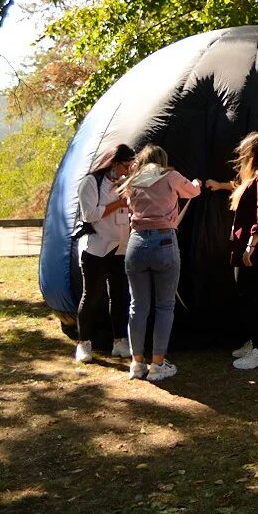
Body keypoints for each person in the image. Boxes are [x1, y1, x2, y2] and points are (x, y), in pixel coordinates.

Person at [205, 132, 258, 370]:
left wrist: (251, 246)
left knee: (253, 298)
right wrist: (221, 185)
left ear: (254, 154)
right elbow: (244, 187)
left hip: (257, 251)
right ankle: (256, 343)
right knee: (255, 297)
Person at [117, 145, 201, 381]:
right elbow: (193, 192)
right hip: (164, 240)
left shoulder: (133, 180)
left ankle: (136, 362)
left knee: (138, 306)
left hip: (135, 243)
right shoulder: (170, 176)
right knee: (164, 305)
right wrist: (197, 182)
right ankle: (158, 363)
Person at [74, 143, 136, 363]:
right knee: (92, 296)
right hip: (98, 249)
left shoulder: (124, 182)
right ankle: (84, 343)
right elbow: (90, 214)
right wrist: (118, 203)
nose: (127, 170)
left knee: (120, 296)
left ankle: (119, 341)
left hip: (121, 248)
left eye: (130, 165)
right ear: (113, 163)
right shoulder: (91, 182)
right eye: (125, 165)